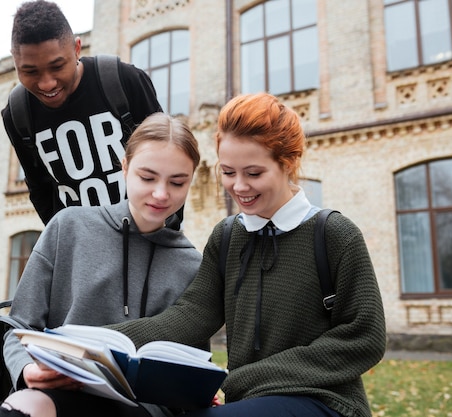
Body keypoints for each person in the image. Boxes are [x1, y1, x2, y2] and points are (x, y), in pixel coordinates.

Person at [105, 93, 387, 417]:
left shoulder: (334, 234)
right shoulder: (227, 236)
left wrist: (251, 378)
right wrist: (99, 343)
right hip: (248, 404)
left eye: (253, 173)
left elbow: (365, 336)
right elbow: (190, 316)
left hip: (326, 402)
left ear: (287, 163)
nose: (239, 186)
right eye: (228, 172)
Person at [0, 113, 207, 417]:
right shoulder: (68, 227)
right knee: (25, 407)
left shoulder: (190, 264)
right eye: (147, 178)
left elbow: (192, 362)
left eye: (177, 182)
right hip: (60, 392)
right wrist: (27, 368)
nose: (161, 194)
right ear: (124, 168)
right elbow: (18, 327)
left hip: (142, 409)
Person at [2, 0, 163, 225]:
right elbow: (40, 189)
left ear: (77, 48)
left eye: (57, 67)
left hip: (146, 238)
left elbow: (166, 161)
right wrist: (64, 241)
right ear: (15, 60)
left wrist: (164, 234)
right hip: (80, 249)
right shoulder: (18, 113)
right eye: (30, 71)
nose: (47, 83)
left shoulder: (125, 81)